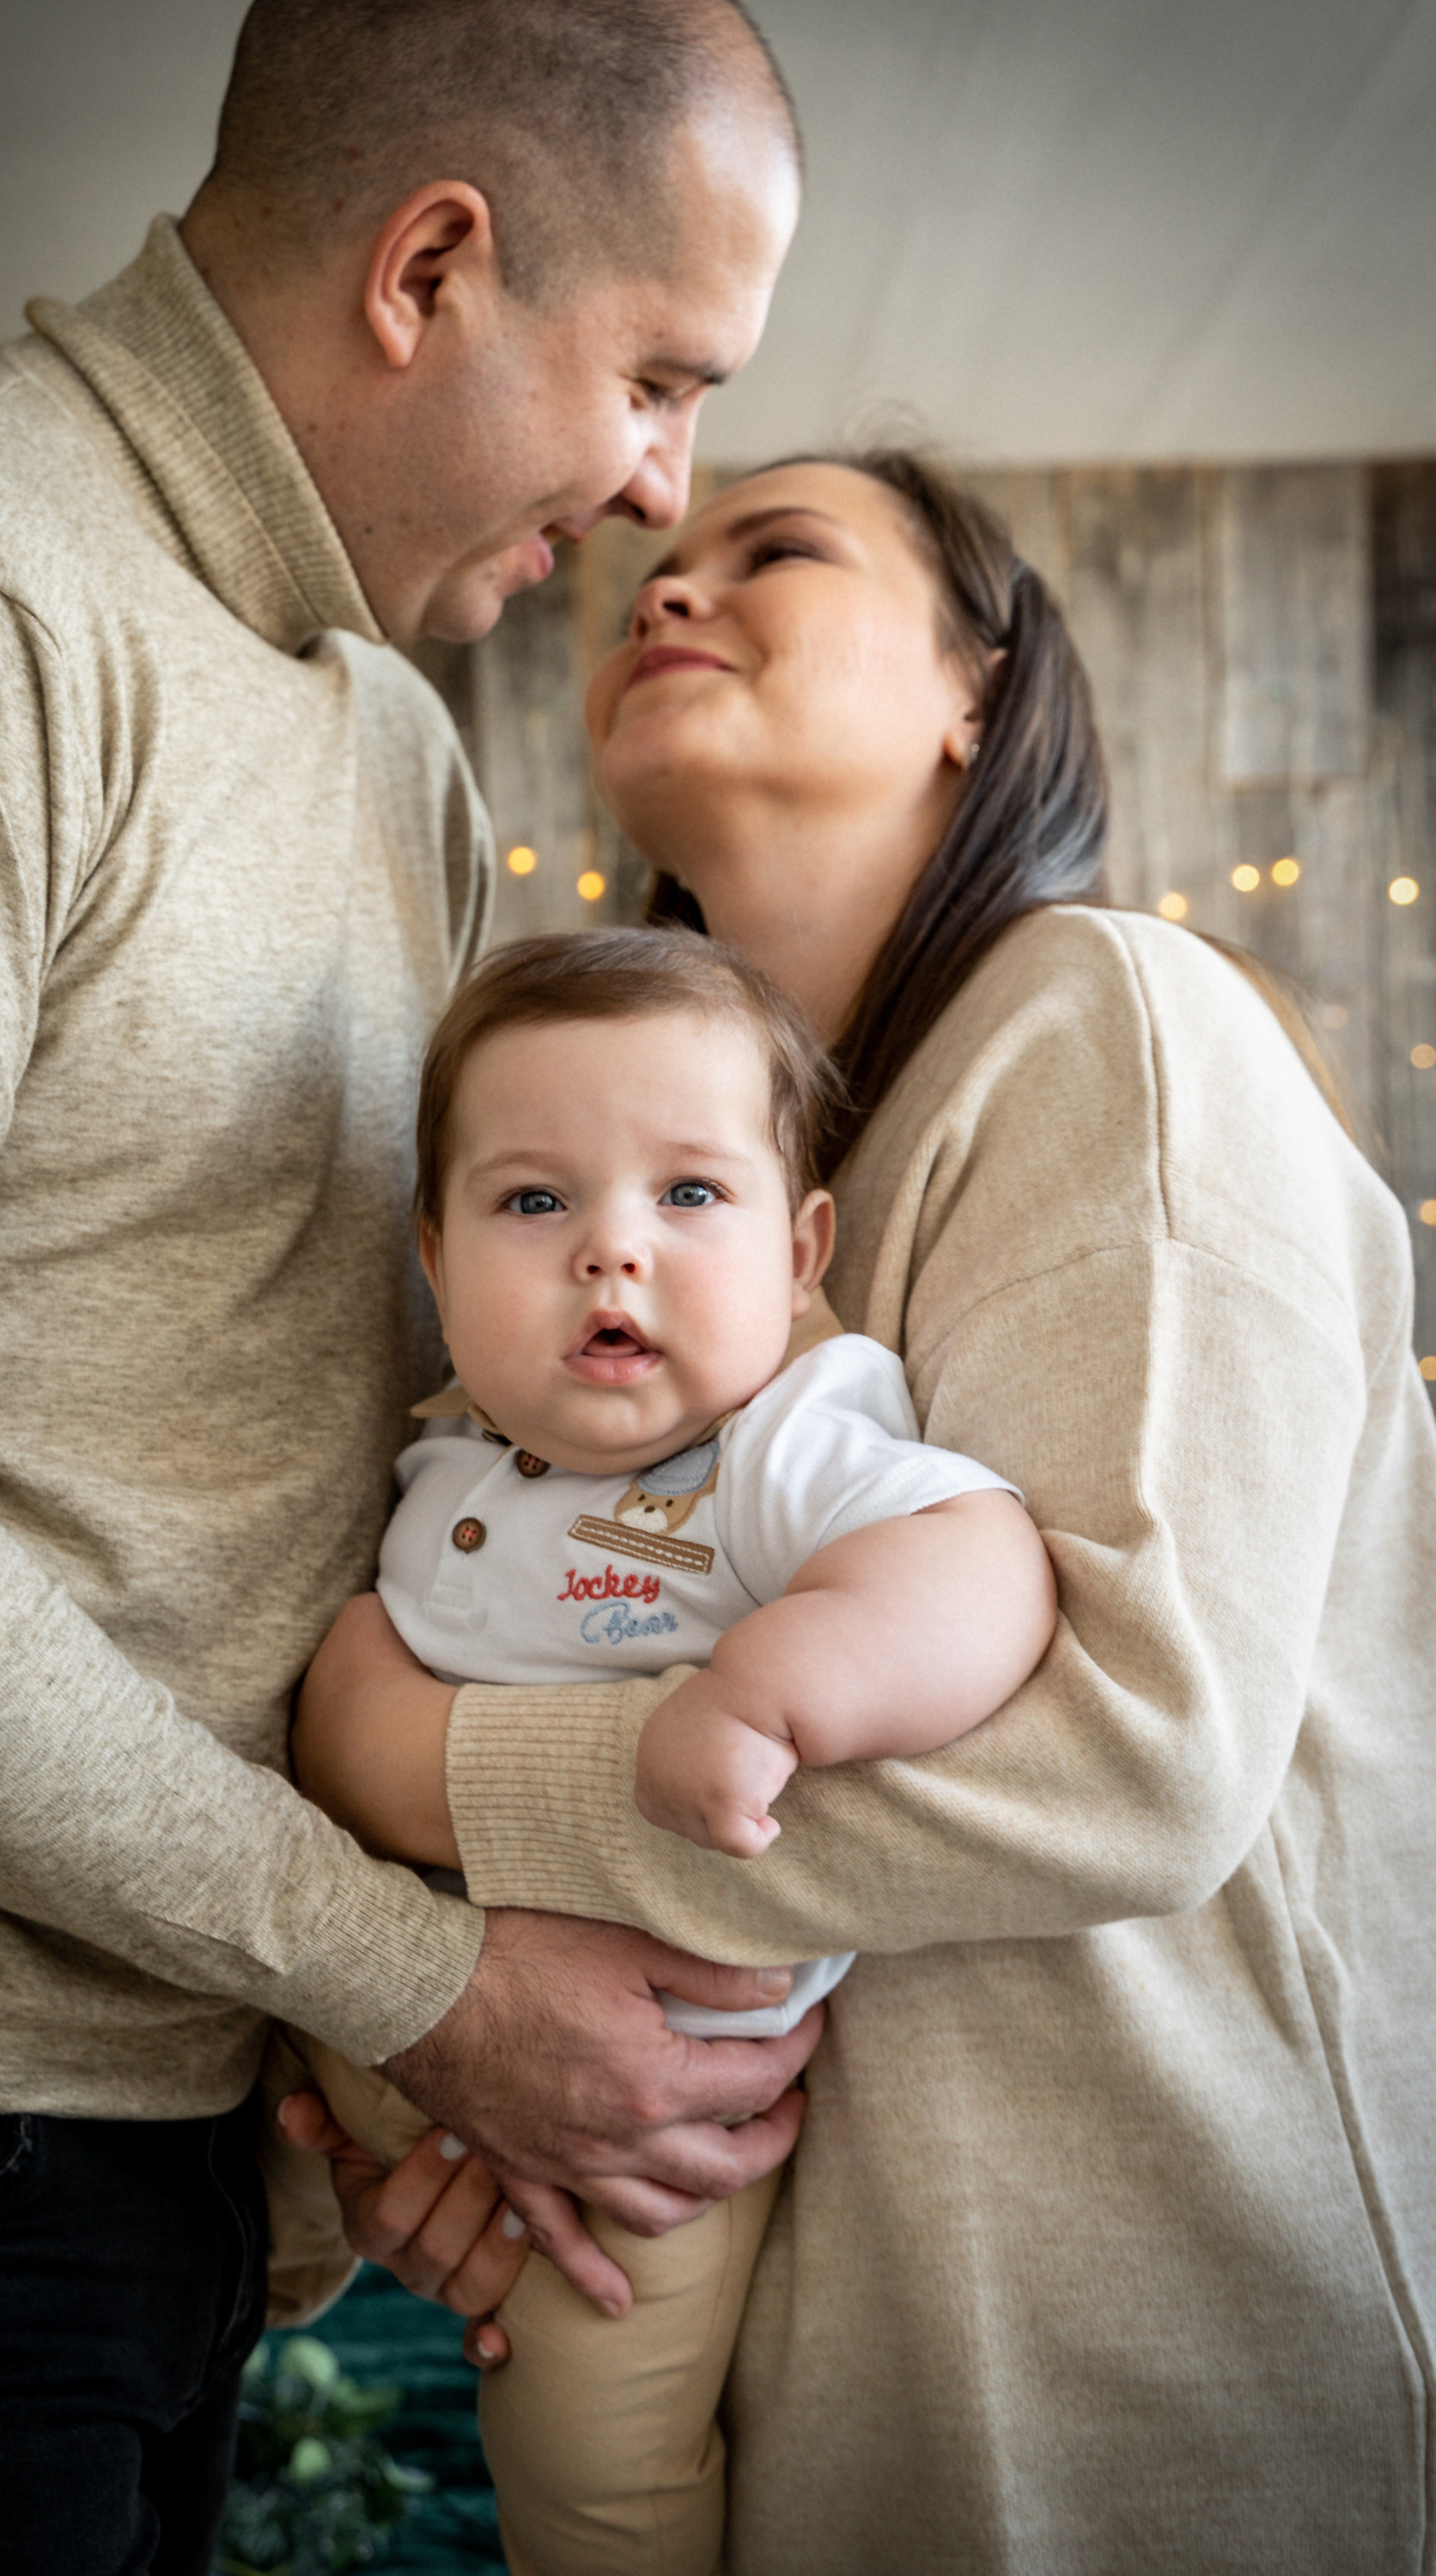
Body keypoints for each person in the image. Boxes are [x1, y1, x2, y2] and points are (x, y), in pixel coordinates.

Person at [0, 6, 809, 2568]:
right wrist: (411, 1987)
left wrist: (361, 2082)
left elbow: (350, 1469)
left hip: (186, 2167)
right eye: (658, 378)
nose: (669, 483)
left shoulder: (396, 745)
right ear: (433, 262)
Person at [290, 449, 1436, 2574]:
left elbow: (1134, 1758)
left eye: (775, 549)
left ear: (973, 699)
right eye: (649, 568)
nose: (665, 580)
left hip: (1142, 2346)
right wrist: (478, 2050)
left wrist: (428, 1768)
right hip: (827, 2329)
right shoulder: (669, 1234)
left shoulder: (1113, 1018)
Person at [285, 925, 1055, 2575]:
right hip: (401, 2029)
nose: (608, 1255)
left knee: (581, 2471)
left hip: (650, 2113)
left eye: (689, 1196)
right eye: (533, 1201)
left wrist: (769, 1692)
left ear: (803, 1249)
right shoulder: (445, 1451)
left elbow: (981, 1568)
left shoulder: (779, 1444)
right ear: (432, 1253)